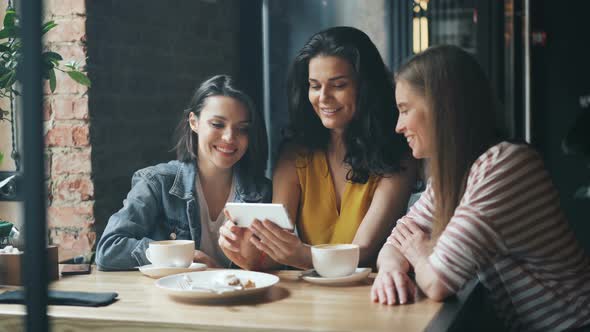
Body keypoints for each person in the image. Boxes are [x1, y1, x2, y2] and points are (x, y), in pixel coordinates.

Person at [371, 45, 590, 331]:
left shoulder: (506, 166)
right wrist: (389, 270)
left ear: (441, 107)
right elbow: (395, 241)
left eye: (405, 110)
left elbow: (438, 281)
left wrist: (415, 250)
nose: (399, 126)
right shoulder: (457, 173)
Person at [219, 26, 416, 271]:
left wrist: (300, 255)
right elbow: (275, 254)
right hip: (310, 298)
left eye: (338, 85)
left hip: (375, 296)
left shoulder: (397, 156)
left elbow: (362, 253)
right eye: (314, 85)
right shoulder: (295, 154)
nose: (323, 97)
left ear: (365, 87)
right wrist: (242, 250)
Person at [95, 75, 271, 270]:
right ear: (194, 122)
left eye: (242, 128)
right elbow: (108, 249)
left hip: (241, 297)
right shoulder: (158, 183)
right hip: (174, 297)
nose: (229, 137)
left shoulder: (262, 192)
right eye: (217, 124)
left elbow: (277, 265)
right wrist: (182, 256)